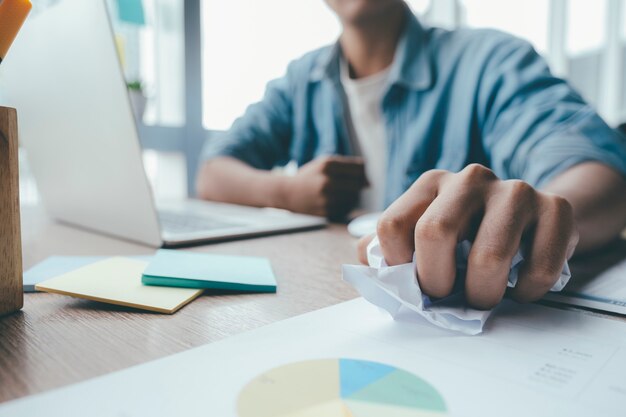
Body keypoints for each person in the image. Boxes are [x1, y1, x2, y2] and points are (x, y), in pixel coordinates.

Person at [196, 0, 626, 309]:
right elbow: (213, 171)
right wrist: (289, 191)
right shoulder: (299, 82)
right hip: (320, 298)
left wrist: (542, 218)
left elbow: (594, 168)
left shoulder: (491, 60)